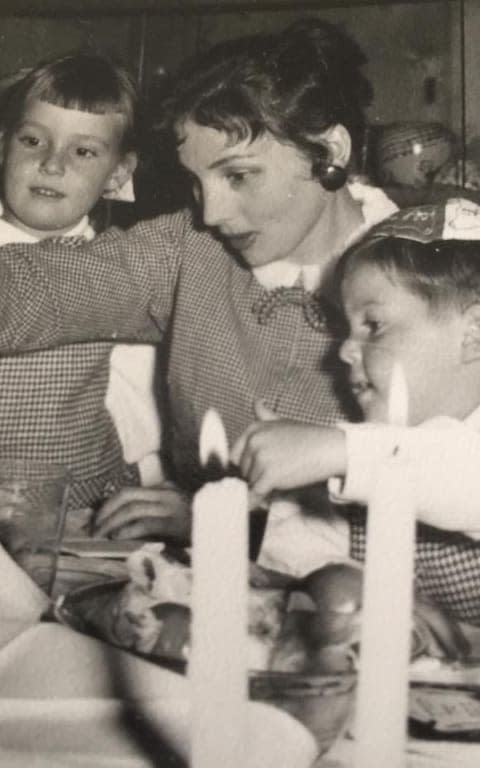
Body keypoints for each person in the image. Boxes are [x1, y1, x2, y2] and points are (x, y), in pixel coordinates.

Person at [0, 20, 396, 537]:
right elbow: (43, 287)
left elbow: (426, 503)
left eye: (237, 175)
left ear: (330, 151)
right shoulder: (192, 250)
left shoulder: (423, 278)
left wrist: (227, 523)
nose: (211, 211)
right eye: (196, 180)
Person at [231, 198, 480, 625]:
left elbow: (458, 469)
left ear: (473, 335)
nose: (346, 349)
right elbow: (296, 576)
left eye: (373, 326)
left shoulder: (365, 454)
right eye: (347, 329)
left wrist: (337, 451)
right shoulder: (357, 454)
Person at [0, 52, 162, 512]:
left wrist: (147, 483)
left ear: (118, 174)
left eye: (83, 151)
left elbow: (141, 415)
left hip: (81, 512)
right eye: (32, 140)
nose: (52, 164)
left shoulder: (119, 270)